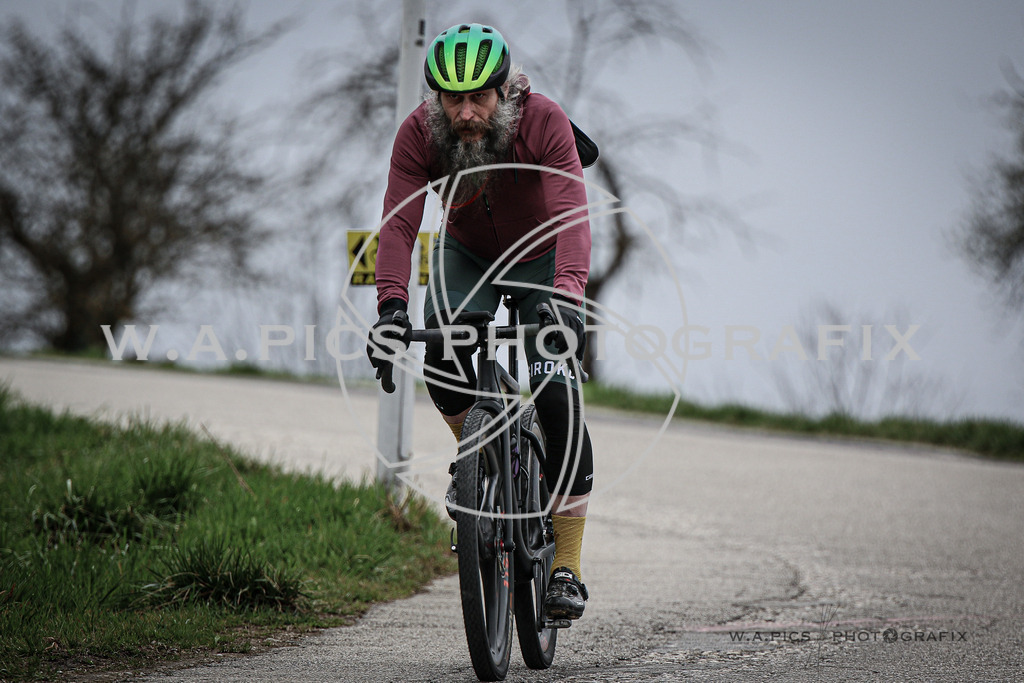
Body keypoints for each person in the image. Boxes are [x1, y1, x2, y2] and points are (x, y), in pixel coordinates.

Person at [366, 23, 593, 621]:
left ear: (505, 91)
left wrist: (567, 300)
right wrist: (391, 307)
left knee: (555, 389)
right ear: (435, 98)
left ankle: (565, 564)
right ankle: (481, 462)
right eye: (452, 99)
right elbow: (398, 224)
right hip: (466, 254)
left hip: (542, 255)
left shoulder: (544, 120)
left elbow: (571, 214)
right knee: (441, 352)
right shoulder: (418, 133)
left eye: (479, 98)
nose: (466, 113)